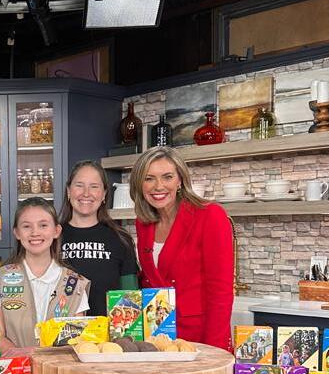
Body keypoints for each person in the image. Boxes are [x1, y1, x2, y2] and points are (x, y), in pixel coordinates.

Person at [130, 146, 233, 352]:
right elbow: (151, 278)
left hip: (199, 336)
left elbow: (220, 291)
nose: (158, 186)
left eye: (167, 177)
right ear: (139, 184)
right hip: (157, 336)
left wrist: (215, 351)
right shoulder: (143, 222)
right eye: (149, 178)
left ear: (180, 180)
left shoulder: (210, 215)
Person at [0, 197, 89, 351]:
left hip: (59, 366)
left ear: (56, 231)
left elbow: (78, 340)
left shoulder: (74, 283)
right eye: (27, 226)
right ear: (17, 233)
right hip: (17, 365)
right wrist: (24, 357)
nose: (35, 232)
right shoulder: (2, 278)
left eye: (43, 225)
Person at [59, 160, 138, 316]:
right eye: (79, 185)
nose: (86, 193)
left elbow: (131, 295)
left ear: (104, 194)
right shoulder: (52, 237)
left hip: (108, 330)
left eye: (94, 186)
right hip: (60, 330)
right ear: (68, 191)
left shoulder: (121, 239)